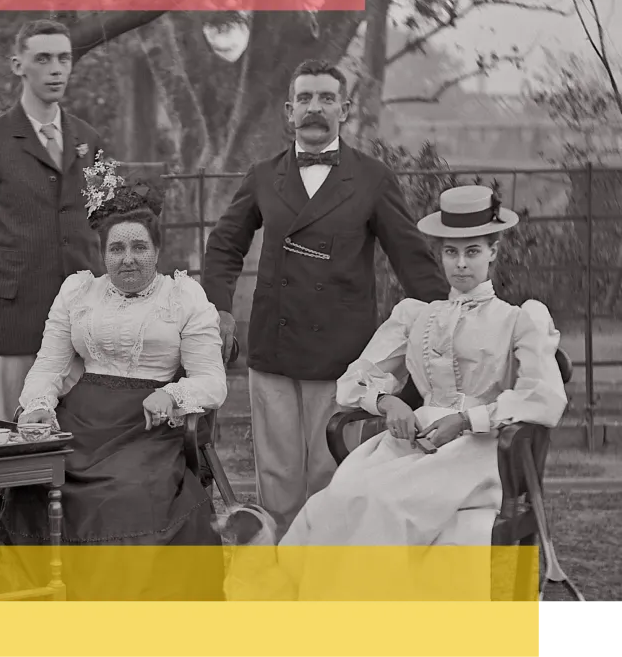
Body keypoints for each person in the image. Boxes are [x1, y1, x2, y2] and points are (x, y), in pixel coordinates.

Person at [225, 185, 569, 601]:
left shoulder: (518, 318)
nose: (460, 264)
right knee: (336, 500)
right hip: (414, 444)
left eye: (473, 252)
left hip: (478, 449)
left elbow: (543, 398)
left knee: (384, 506)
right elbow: (352, 382)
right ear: (439, 253)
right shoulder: (418, 316)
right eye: (450, 253)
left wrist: (465, 420)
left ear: (493, 251)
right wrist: (389, 403)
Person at [200, 59, 449, 536]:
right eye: (306, 99)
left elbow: (412, 259)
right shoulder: (262, 175)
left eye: (327, 98)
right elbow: (224, 244)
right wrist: (220, 309)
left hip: (341, 358)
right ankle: (282, 584)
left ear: (345, 109)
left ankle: (328, 588)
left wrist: (449, 317)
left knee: (331, 479)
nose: (316, 108)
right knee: (276, 482)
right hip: (272, 350)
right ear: (289, 112)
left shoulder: (372, 178)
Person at [0, 172, 228, 601]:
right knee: (31, 484)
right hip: (79, 422)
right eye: (116, 248)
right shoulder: (79, 292)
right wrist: (39, 406)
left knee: (125, 494)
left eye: (139, 247)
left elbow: (212, 382)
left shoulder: (184, 298)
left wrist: (171, 394)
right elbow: (49, 366)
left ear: (157, 249)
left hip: (147, 427)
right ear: (102, 253)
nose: (128, 259)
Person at [0, 19, 107, 423]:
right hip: (13, 322)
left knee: (79, 443)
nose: (56, 69)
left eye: (63, 58)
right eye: (43, 59)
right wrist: (1, 291)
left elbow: (106, 220)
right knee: (12, 443)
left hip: (83, 322)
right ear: (18, 65)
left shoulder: (89, 139)